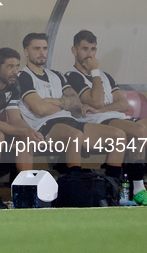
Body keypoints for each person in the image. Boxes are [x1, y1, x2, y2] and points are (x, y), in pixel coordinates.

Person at [65, 30, 147, 205]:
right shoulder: (72, 76)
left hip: (116, 117)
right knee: (138, 131)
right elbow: (96, 100)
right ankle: (136, 188)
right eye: (85, 49)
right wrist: (95, 73)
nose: (89, 54)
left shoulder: (105, 76)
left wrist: (99, 108)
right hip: (94, 123)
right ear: (74, 50)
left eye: (93, 49)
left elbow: (123, 105)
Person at [17, 33, 126, 182]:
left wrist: (51, 101)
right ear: (26, 52)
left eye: (44, 48)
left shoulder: (57, 75)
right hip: (45, 126)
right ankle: (75, 185)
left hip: (70, 121)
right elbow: (40, 109)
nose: (42, 53)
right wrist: (62, 104)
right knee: (75, 136)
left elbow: (75, 102)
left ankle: (112, 186)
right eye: (36, 48)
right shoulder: (22, 76)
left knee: (119, 136)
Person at [0, 47, 44, 209]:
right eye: (10, 67)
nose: (15, 71)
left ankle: (27, 193)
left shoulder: (14, 85)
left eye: (17, 66)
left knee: (24, 140)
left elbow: (15, 120)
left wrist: (31, 133)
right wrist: (25, 131)